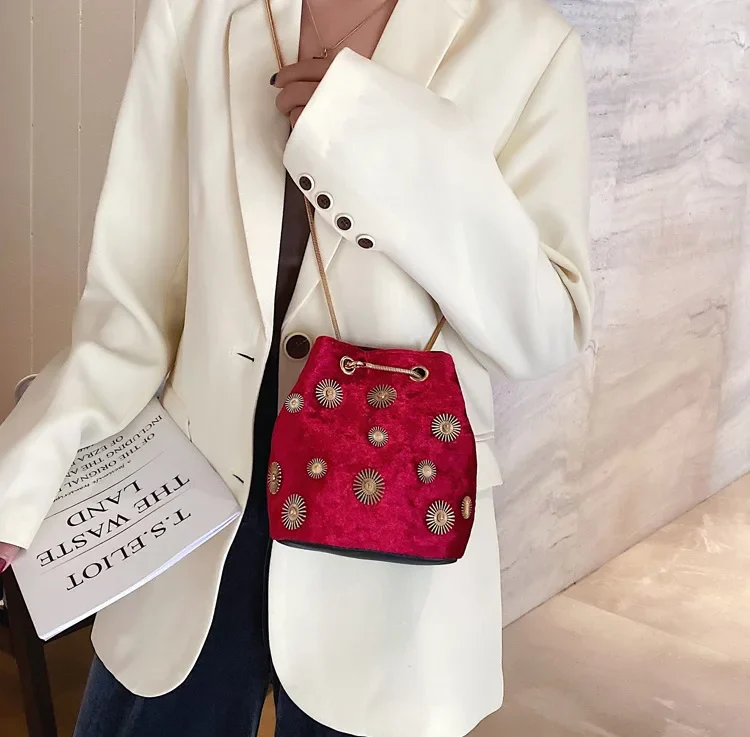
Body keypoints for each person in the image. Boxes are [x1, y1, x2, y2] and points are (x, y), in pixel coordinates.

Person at [0, 0, 594, 735]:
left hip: (388, 507)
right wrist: (25, 470)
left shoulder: (526, 44)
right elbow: (131, 308)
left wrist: (393, 142)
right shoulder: (197, 15)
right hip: (198, 493)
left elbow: (545, 330)